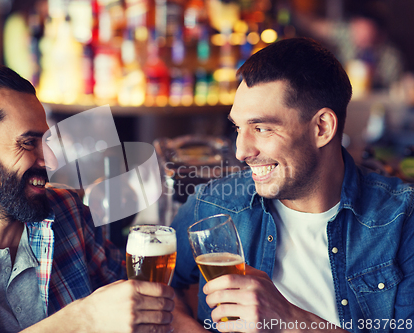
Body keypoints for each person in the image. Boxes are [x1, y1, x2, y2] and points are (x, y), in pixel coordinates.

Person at [170, 38, 414, 332]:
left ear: (321, 127)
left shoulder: (402, 221)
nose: (241, 151)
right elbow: (156, 294)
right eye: (238, 128)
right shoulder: (213, 205)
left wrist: (288, 319)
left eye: (261, 128)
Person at [0, 62, 174, 333]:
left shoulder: (66, 211)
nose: (50, 160)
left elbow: (143, 301)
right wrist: (86, 318)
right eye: (28, 142)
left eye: (47, 141)